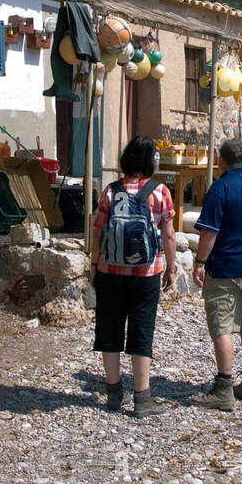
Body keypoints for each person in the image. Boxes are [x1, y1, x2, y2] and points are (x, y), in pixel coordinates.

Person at [90, 135, 176, 417]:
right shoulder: (159, 191)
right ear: (151, 161)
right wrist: (171, 268)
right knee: (142, 329)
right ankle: (142, 398)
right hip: (146, 272)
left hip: (109, 270)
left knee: (110, 328)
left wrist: (94, 264)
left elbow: (98, 229)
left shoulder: (110, 191)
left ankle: (114, 394)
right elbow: (169, 234)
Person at [190, 138, 242, 411]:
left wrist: (199, 261)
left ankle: (224, 388)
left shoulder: (219, 189)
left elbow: (210, 232)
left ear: (221, 160)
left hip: (224, 269)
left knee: (222, 328)